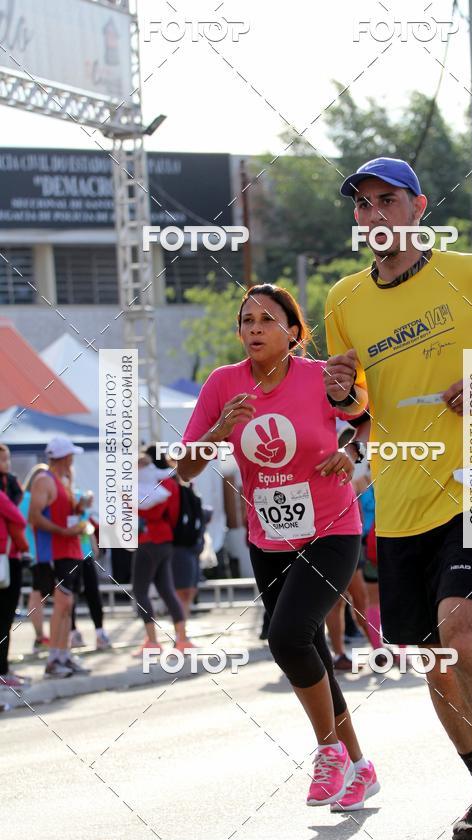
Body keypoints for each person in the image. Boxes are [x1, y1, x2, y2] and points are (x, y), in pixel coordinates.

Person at [325, 157, 472, 840]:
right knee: (431, 657)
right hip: (398, 496)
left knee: (460, 627)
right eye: (363, 206)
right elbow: (356, 406)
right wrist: (340, 393)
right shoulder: (343, 301)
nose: (374, 215)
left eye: (386, 201)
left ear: (419, 208)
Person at [178, 283, 379, 812]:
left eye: (267, 320)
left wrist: (352, 450)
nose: (254, 329)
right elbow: (184, 467)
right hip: (269, 537)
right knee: (305, 646)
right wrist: (219, 429)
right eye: (246, 321)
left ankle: (328, 751)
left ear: (294, 333)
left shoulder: (320, 377)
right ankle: (360, 766)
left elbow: (368, 417)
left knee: (286, 638)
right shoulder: (223, 383)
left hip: (332, 526)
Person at [28, 438, 90, 678]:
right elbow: (34, 516)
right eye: (71, 455)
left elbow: (64, 514)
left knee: (68, 605)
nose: (73, 459)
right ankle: (53, 659)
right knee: (62, 604)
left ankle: (63, 655)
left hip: (70, 549)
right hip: (54, 551)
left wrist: (80, 507)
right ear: (64, 457)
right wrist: (63, 531)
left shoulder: (64, 480)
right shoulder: (44, 480)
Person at [132, 452, 194, 657]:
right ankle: (182, 638)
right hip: (166, 540)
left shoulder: (149, 488)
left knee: (140, 591)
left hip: (148, 540)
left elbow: (146, 513)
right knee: (167, 590)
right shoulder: (170, 485)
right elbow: (173, 514)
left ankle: (152, 641)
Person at [0, 451, 30, 690]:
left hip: (9, 558)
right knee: (4, 618)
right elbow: (18, 519)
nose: (6, 464)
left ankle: (4, 669)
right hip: (6, 560)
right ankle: (2, 671)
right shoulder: (3, 494)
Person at [70, 489, 112, 650]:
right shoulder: (67, 498)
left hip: (85, 555)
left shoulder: (83, 507)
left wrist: (94, 546)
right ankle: (72, 632)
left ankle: (100, 633)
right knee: (71, 595)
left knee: (93, 592)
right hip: (71, 555)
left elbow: (88, 528)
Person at [19, 463, 51, 650]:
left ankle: (40, 637)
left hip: (24, 552)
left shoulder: (21, 498)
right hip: (39, 553)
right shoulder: (35, 500)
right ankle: (40, 637)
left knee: (38, 593)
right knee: (38, 594)